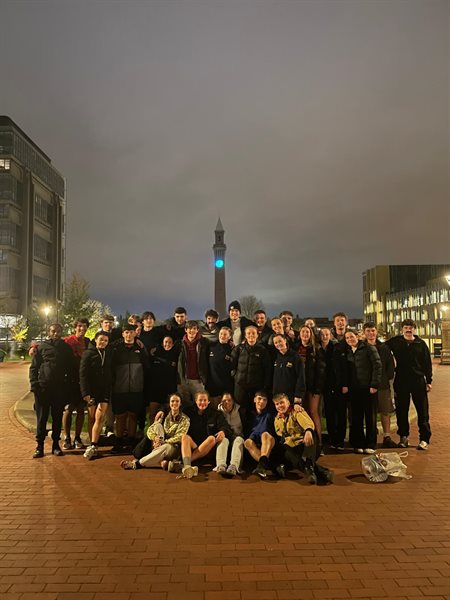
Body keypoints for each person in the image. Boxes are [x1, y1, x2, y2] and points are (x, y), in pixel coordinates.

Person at [386, 319, 432, 450]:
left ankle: (424, 439)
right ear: (402, 329)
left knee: (422, 411)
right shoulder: (396, 341)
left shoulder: (421, 344)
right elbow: (381, 347)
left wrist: (429, 381)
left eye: (410, 327)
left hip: (418, 381)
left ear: (414, 329)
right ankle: (403, 437)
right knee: (401, 411)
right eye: (406, 327)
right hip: (401, 381)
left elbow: (427, 363)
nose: (408, 329)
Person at [29, 323, 73, 458]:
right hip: (43, 389)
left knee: (57, 418)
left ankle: (56, 445)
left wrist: (68, 386)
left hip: (59, 389)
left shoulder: (66, 348)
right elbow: (34, 368)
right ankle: (39, 446)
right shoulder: (41, 348)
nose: (56, 333)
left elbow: (70, 368)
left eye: (58, 331)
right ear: (49, 332)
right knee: (41, 418)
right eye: (53, 331)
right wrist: (34, 385)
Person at [273, 393, 333, 485]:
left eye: (282, 403)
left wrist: (308, 431)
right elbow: (281, 434)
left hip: (308, 446)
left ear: (288, 403)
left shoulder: (297, 411)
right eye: (277, 404)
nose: (280, 406)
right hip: (295, 447)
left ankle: (310, 465)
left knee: (311, 434)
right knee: (286, 450)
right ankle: (316, 471)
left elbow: (308, 424)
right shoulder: (277, 419)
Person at [120, 393, 190, 470]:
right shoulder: (165, 416)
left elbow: (179, 437)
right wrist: (155, 438)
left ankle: (137, 463)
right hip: (158, 445)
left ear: (180, 403)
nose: (174, 403)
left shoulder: (185, 419)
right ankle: (162, 462)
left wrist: (163, 442)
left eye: (177, 401)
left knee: (165, 447)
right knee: (157, 425)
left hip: (173, 447)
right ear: (169, 403)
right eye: (172, 401)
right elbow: (150, 430)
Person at [339, 330, 382, 454]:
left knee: (370, 417)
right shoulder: (347, 352)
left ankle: (370, 444)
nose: (349, 340)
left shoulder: (368, 348)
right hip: (354, 389)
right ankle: (358, 443)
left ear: (357, 336)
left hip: (368, 388)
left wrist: (374, 384)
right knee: (356, 417)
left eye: (351, 337)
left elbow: (377, 366)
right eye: (347, 338)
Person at [110, 323, 150, 453]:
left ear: (135, 333)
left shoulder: (141, 348)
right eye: (126, 332)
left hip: (136, 389)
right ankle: (119, 441)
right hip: (119, 389)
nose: (128, 334)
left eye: (131, 332)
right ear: (122, 334)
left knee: (133, 416)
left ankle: (132, 441)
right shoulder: (115, 348)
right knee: (120, 416)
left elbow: (146, 366)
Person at [177, 391, 232, 479]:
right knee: (185, 437)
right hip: (194, 445)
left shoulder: (216, 414)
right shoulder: (187, 411)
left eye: (205, 400)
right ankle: (187, 467)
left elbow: (227, 428)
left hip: (208, 448)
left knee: (211, 438)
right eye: (200, 400)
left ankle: (183, 463)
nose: (202, 402)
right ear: (195, 401)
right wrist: (162, 411)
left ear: (208, 401)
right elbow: (174, 410)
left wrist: (223, 432)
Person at [79, 331, 113, 460]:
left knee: (100, 417)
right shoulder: (88, 353)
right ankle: (91, 444)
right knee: (92, 417)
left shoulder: (108, 353)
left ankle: (94, 444)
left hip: (104, 390)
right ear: (95, 340)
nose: (103, 342)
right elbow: (82, 374)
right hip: (92, 391)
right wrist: (85, 393)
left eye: (105, 340)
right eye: (101, 340)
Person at [363, 322, 397, 448]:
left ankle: (387, 436)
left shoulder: (384, 347)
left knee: (385, 411)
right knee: (369, 412)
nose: (371, 333)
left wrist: (385, 378)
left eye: (373, 330)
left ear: (376, 332)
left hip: (382, 385)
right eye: (368, 331)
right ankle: (370, 436)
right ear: (364, 332)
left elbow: (390, 365)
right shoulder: (362, 347)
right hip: (366, 386)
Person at [231, 325, 272, 420]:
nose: (251, 335)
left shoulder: (262, 350)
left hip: (256, 387)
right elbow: (231, 364)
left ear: (257, 335)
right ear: (245, 335)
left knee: (254, 411)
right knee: (241, 411)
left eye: (253, 333)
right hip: (240, 386)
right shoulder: (239, 348)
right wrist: (235, 376)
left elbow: (267, 369)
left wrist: (265, 386)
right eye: (248, 333)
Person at [62, 318, 90, 450]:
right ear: (75, 327)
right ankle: (67, 437)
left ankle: (77, 437)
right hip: (70, 380)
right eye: (79, 326)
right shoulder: (67, 341)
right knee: (68, 409)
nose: (82, 329)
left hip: (83, 380)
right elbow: (51, 345)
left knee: (80, 409)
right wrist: (34, 346)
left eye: (84, 326)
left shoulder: (88, 342)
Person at [297, 326, 326, 446]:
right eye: (303, 331)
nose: (305, 334)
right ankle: (304, 442)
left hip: (312, 386)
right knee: (301, 413)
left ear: (311, 334)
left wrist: (318, 388)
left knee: (314, 412)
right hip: (299, 386)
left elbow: (321, 370)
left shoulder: (316, 349)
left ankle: (319, 442)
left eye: (307, 332)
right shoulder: (295, 348)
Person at [244, 391, 280, 479]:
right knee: (247, 442)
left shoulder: (271, 414)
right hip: (255, 441)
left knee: (265, 435)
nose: (261, 402)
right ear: (254, 400)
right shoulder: (249, 415)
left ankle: (263, 465)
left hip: (269, 441)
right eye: (259, 399)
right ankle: (266, 466)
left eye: (264, 400)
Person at [317, 328, 342, 450]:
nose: (324, 336)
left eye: (327, 334)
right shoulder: (316, 348)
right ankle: (332, 438)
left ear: (330, 335)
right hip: (322, 383)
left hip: (334, 383)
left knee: (337, 412)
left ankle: (338, 439)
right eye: (322, 334)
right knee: (328, 412)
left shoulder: (336, 347)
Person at [147, 336, 179, 423]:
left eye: (169, 342)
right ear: (162, 343)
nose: (167, 344)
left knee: (169, 415)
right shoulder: (155, 354)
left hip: (169, 389)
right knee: (153, 414)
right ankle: (151, 434)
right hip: (155, 389)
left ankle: (165, 434)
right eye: (166, 342)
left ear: (173, 344)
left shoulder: (176, 355)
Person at [177, 320, 209, 406]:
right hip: (184, 380)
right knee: (184, 405)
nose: (192, 331)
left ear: (198, 330)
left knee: (200, 405)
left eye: (194, 328)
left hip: (198, 380)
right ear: (186, 330)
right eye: (190, 328)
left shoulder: (204, 342)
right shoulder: (179, 344)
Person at [215, 392, 245, 477]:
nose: (227, 402)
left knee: (238, 440)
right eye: (224, 400)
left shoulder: (241, 411)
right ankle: (220, 465)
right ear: (221, 402)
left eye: (229, 400)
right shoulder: (217, 412)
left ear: (233, 401)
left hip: (238, 436)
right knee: (223, 440)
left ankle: (234, 466)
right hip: (226, 437)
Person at [272, 334, 305, 404]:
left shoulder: (295, 356)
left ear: (285, 340)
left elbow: (301, 377)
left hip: (291, 396)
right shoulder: (275, 357)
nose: (278, 344)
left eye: (280, 341)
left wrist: (298, 395)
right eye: (276, 342)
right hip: (278, 396)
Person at [206, 326, 235, 407]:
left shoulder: (233, 349)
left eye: (225, 334)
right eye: (221, 333)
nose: (222, 336)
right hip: (212, 386)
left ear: (229, 337)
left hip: (226, 387)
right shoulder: (211, 346)